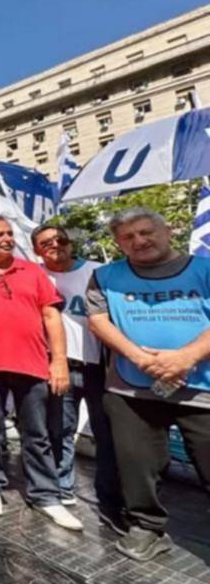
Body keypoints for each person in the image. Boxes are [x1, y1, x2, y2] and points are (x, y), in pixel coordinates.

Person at [87, 208, 210, 561]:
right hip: (131, 388)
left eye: (146, 232)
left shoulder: (205, 268)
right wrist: (141, 359)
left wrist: (185, 358)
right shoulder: (105, 276)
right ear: (117, 243)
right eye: (128, 237)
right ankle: (146, 526)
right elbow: (98, 321)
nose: (138, 241)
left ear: (167, 229)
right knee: (136, 464)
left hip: (202, 387)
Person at [0, 215, 81, 530]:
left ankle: (46, 496)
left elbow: (51, 317)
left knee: (37, 434)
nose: (8, 238)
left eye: (10, 233)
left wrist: (60, 361)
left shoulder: (33, 271)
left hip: (33, 363)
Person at [32, 224, 123, 530]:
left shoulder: (100, 271)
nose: (55, 245)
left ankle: (110, 497)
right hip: (59, 366)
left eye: (60, 239)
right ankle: (62, 487)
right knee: (60, 429)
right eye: (46, 242)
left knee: (107, 432)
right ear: (37, 250)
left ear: (71, 243)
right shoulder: (36, 276)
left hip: (101, 366)